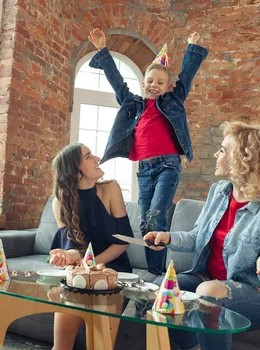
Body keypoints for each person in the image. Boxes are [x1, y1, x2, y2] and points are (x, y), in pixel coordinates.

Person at [145, 121, 260, 350]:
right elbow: (197, 235)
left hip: (259, 293)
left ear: (242, 160)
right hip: (210, 281)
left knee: (207, 293)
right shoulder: (218, 192)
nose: (216, 154)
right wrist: (168, 238)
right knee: (163, 291)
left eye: (223, 150)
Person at [87, 28, 208, 277]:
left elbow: (186, 76)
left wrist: (192, 47)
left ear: (168, 87)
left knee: (155, 216)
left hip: (167, 166)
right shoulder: (133, 105)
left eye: (160, 83)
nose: (154, 85)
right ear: (143, 83)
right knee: (145, 221)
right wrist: (102, 49)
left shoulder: (173, 101)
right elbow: (117, 82)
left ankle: (157, 271)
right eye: (150, 81)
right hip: (144, 169)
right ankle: (156, 272)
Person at [48, 143, 134, 350]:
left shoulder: (110, 189)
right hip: (80, 272)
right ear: (77, 172)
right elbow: (74, 250)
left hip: (113, 269)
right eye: (88, 156)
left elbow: (122, 242)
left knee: (101, 339)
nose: (97, 158)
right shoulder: (59, 203)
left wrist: (92, 266)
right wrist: (65, 257)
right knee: (67, 304)